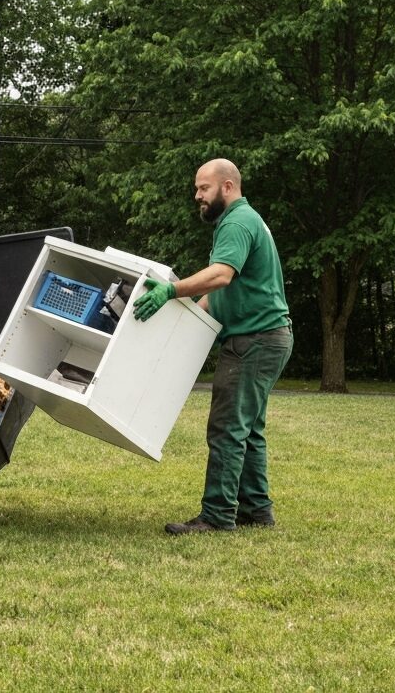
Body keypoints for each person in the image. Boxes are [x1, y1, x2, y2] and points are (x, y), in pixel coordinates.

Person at [132, 158, 292, 535]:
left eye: (204, 188)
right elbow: (214, 297)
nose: (197, 196)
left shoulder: (236, 222)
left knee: (227, 428)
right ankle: (257, 510)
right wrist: (178, 324)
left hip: (255, 339)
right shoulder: (244, 220)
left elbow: (220, 276)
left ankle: (218, 515)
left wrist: (171, 290)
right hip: (267, 338)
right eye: (197, 189)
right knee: (247, 428)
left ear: (227, 186)